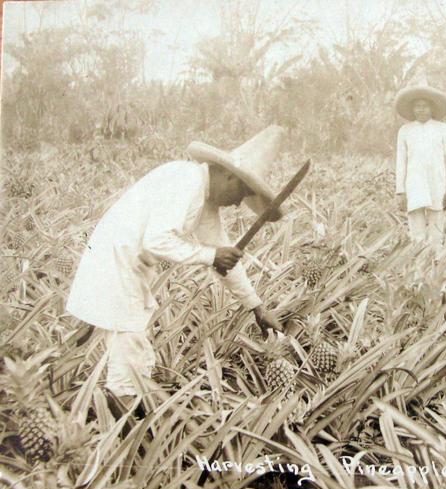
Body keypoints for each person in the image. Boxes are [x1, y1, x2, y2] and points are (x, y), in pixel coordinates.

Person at [66, 126, 286, 409]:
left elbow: (226, 256)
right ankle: (123, 431)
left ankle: (119, 415)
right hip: (118, 264)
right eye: (241, 194)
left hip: (125, 266)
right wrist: (210, 256)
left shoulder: (202, 196)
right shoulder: (186, 181)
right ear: (229, 176)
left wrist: (257, 306)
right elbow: (157, 240)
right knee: (129, 357)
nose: (237, 204)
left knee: (125, 348)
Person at [394, 77, 446, 254]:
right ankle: (418, 270)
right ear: (413, 108)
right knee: (416, 233)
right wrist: (400, 191)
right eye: (417, 106)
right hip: (413, 184)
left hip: (437, 183)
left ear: (432, 107)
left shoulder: (443, 129)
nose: (421, 110)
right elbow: (401, 162)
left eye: (425, 106)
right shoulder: (405, 131)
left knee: (436, 232)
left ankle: (436, 264)